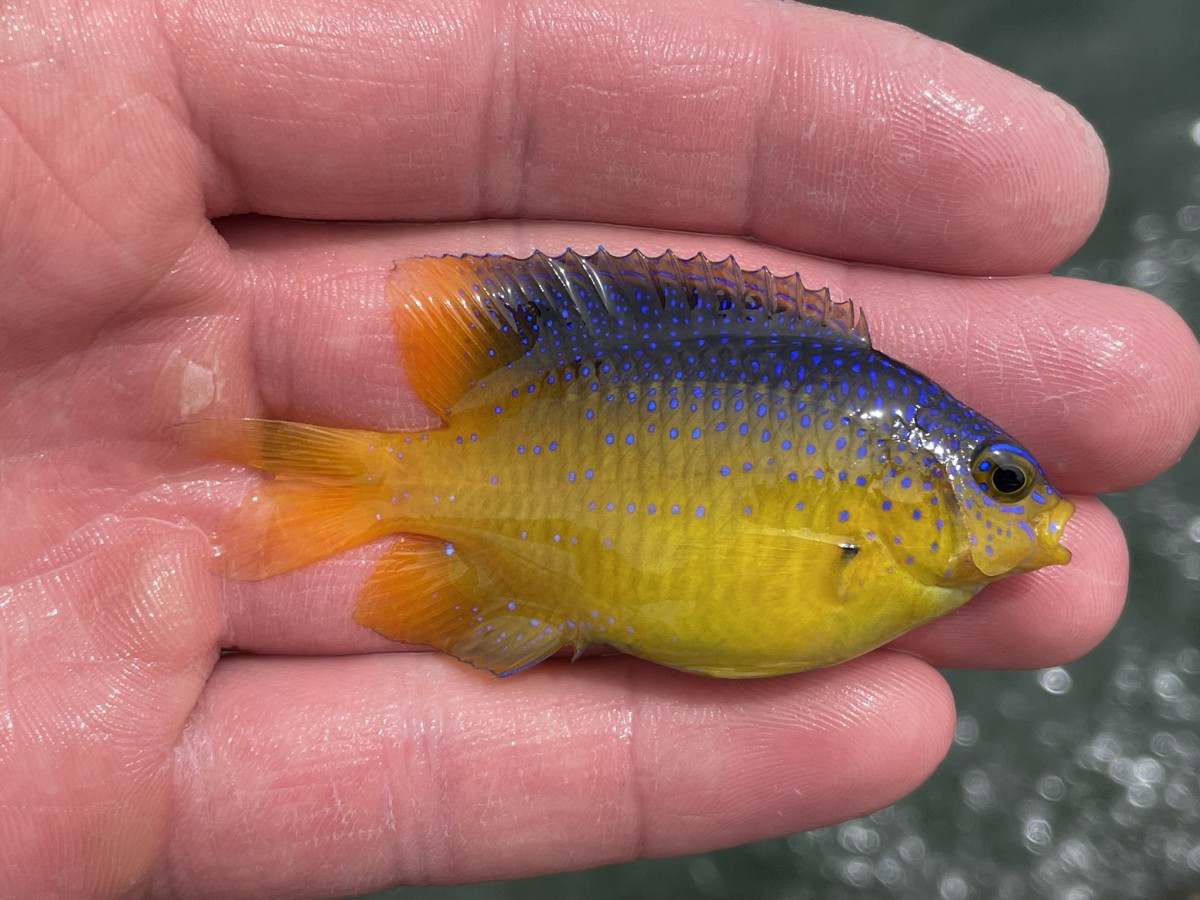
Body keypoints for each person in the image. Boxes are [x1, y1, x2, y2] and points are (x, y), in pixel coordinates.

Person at [2, 0, 1198, 896]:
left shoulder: (887, 559)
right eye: (1000, 478)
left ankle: (349, 492)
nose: (1032, 510)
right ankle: (345, 488)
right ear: (907, 490)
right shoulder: (874, 493)